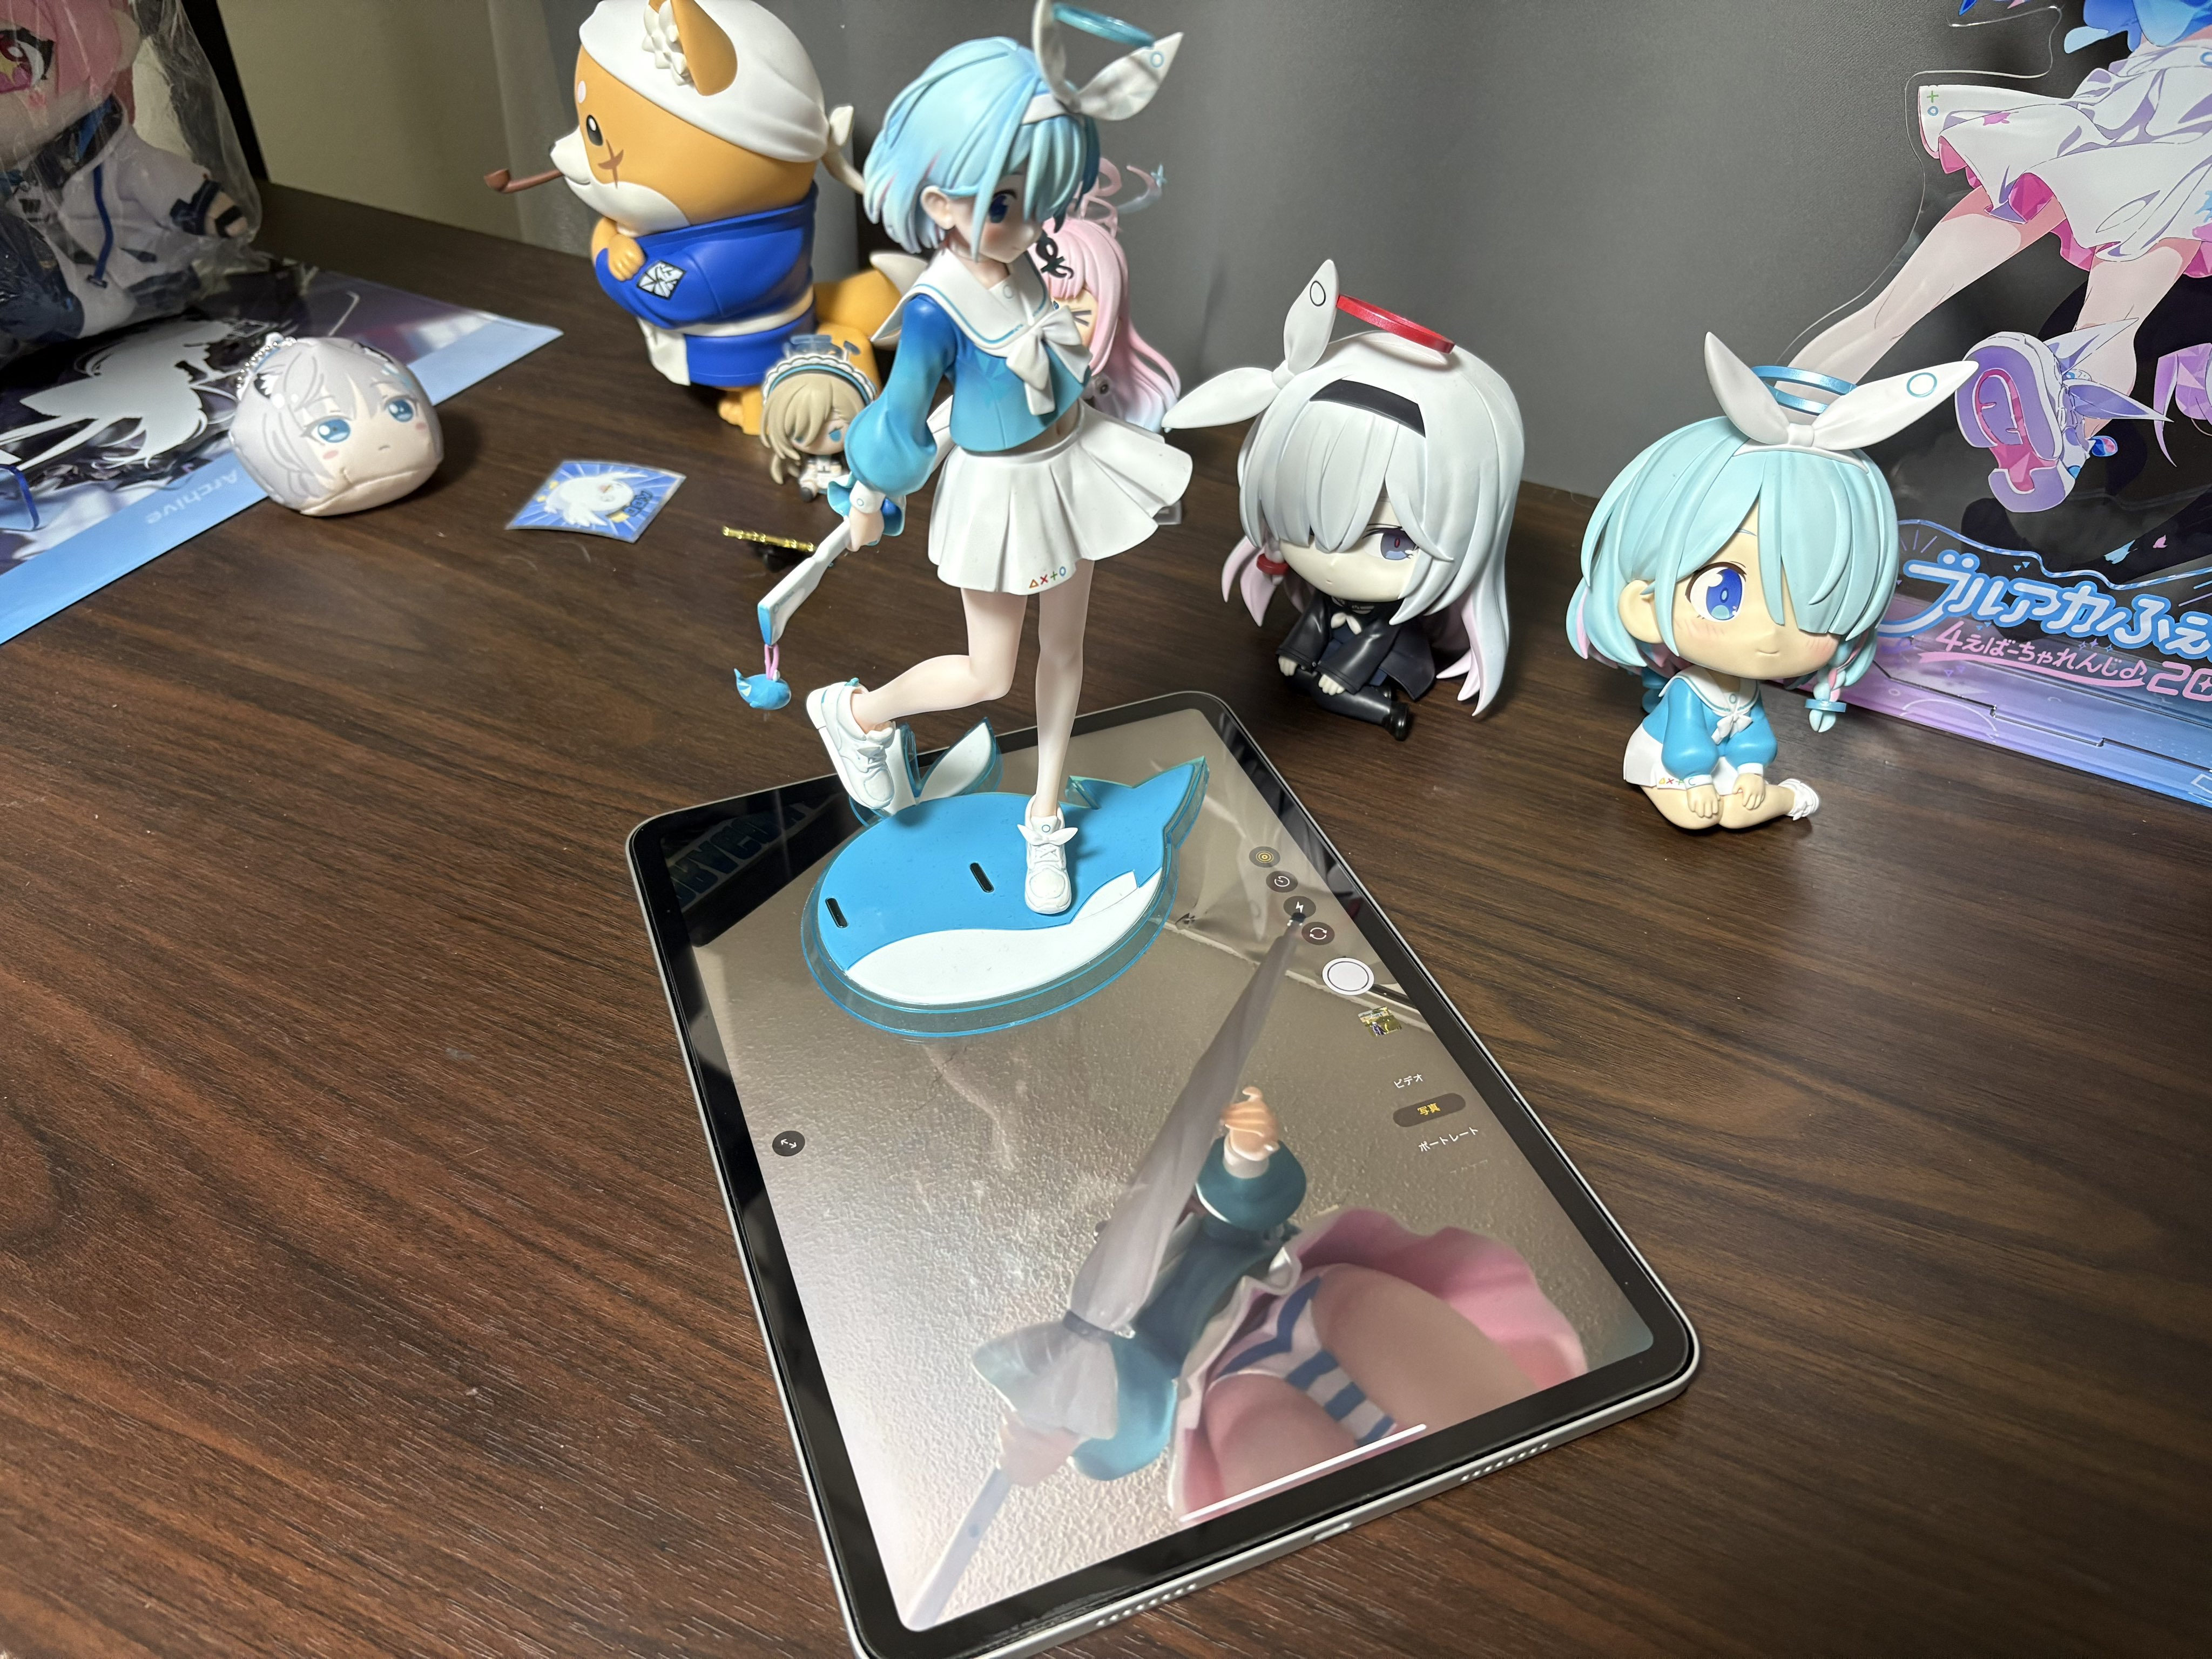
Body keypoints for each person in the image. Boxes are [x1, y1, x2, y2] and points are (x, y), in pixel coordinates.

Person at [804, 9, 1190, 916]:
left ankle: (1044, 819)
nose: (1028, 223)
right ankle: (856, 715)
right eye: (1008, 203)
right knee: (989, 674)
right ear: (942, 202)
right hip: (1002, 494)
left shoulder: (1019, 264)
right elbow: (902, 414)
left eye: (1039, 202)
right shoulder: (935, 306)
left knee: (1067, 649)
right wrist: (868, 493)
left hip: (1071, 467)